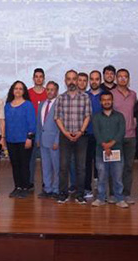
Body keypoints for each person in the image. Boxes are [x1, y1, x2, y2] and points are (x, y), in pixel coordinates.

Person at [54, 70, 91, 204]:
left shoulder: (85, 97)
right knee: (63, 166)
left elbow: (87, 116)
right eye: (68, 79)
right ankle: (63, 193)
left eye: (74, 79)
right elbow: (57, 117)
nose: (71, 82)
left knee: (81, 167)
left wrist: (81, 131)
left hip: (81, 136)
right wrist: (66, 133)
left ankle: (80, 194)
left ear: (77, 80)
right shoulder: (60, 98)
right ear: (65, 81)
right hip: (65, 136)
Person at [91, 92, 128, 208]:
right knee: (101, 176)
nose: (106, 102)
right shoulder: (96, 117)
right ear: (100, 102)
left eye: (109, 99)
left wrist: (110, 145)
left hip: (117, 151)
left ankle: (119, 198)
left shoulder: (119, 116)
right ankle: (101, 198)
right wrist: (104, 145)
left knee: (117, 177)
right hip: (100, 152)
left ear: (112, 101)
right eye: (104, 100)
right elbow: (96, 133)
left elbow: (121, 132)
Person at [4, 81, 38, 199]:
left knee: (24, 165)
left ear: (24, 91)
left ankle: (25, 187)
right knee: (15, 164)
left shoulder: (28, 105)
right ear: (12, 90)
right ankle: (17, 187)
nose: (18, 91)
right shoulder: (7, 105)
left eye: (20, 89)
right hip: (11, 140)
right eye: (16, 88)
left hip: (24, 140)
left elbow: (32, 123)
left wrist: (29, 138)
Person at [110, 68, 138, 200]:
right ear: (116, 79)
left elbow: (135, 114)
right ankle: (113, 194)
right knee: (114, 166)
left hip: (130, 136)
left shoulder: (133, 94)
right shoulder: (111, 94)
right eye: (120, 76)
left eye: (125, 76)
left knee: (128, 167)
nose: (122, 79)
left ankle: (126, 194)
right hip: (115, 137)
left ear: (128, 79)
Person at [37, 82, 61, 199]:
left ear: (56, 91)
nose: (50, 92)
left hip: (54, 142)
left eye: (52, 90)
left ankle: (56, 190)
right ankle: (47, 189)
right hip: (43, 140)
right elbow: (39, 124)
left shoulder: (59, 104)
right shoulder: (42, 104)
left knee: (56, 167)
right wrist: (37, 138)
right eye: (48, 89)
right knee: (45, 166)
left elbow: (62, 125)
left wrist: (57, 141)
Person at [81, 72, 101, 198]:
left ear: (100, 80)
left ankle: (100, 187)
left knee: (100, 163)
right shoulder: (84, 96)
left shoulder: (105, 95)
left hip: (101, 135)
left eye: (97, 79)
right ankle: (87, 188)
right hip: (86, 134)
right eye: (92, 79)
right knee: (86, 163)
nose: (94, 81)